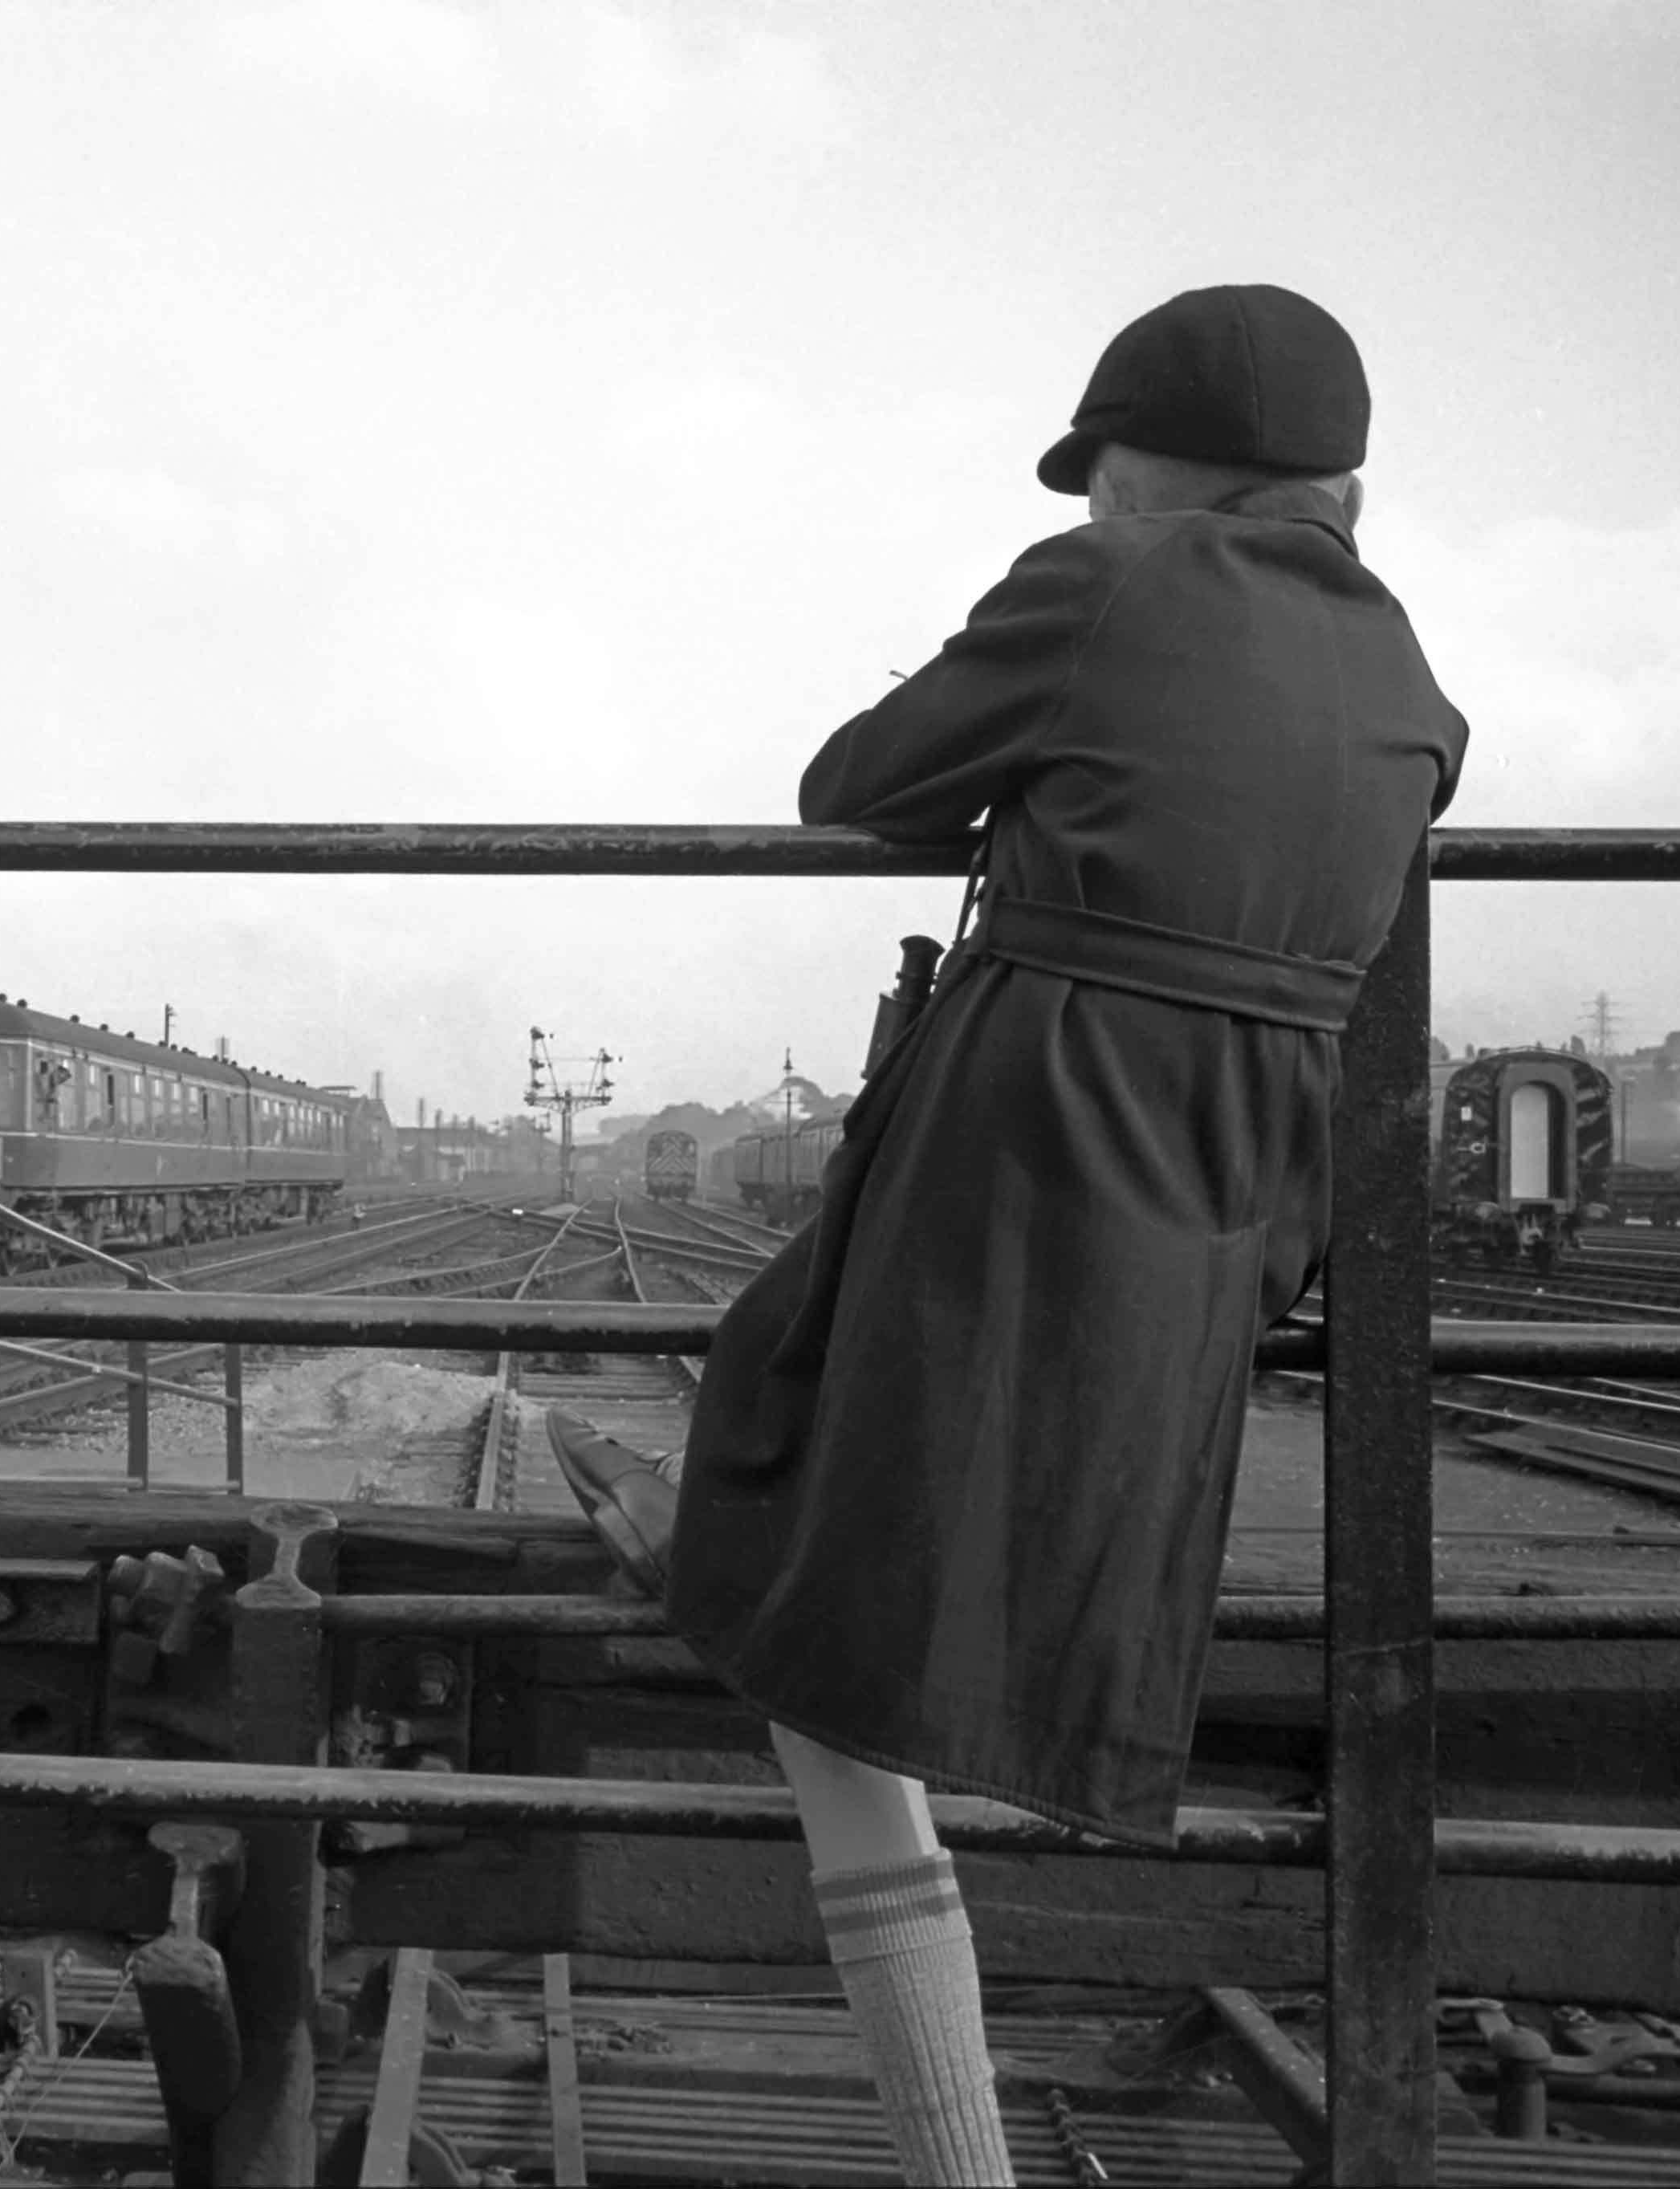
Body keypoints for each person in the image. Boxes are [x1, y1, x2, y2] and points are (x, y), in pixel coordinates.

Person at [548, 283, 1468, 2186]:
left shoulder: (1104, 583)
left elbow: (853, 782)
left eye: (1101, 461)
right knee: (888, 1472)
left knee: (808, 1557)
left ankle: (954, 2154)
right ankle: (751, 1561)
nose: (1092, 488)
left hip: (1046, 1117)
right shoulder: (1407, 678)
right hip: (1246, 1178)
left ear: (1175, 462)